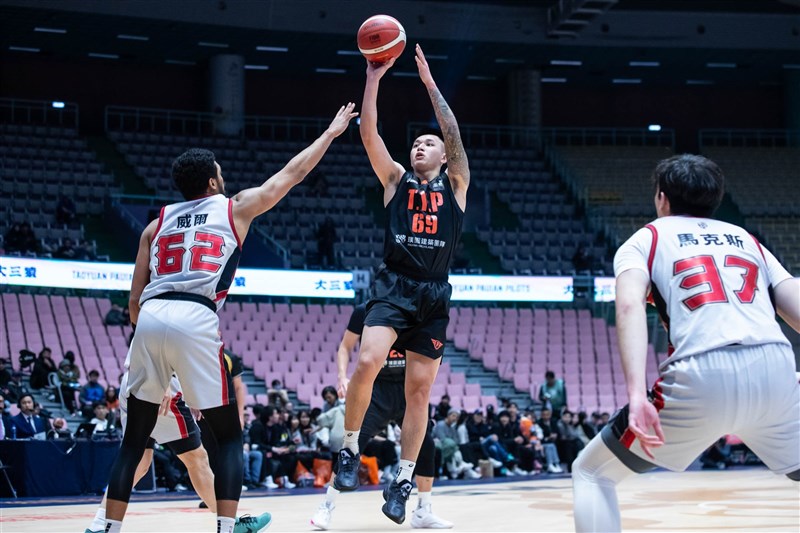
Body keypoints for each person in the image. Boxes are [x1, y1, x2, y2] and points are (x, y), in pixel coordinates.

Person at [100, 103, 357, 533]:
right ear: (213, 181)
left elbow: (132, 304)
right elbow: (291, 174)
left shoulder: (155, 223)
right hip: (195, 313)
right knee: (230, 436)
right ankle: (226, 527)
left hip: (149, 316)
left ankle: (108, 528)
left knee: (132, 442)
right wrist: (330, 133)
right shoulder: (232, 207)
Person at [571, 154, 800, 533]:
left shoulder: (645, 238)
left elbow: (628, 306)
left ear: (662, 198)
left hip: (700, 372)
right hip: (775, 366)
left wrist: (636, 395)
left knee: (592, 472)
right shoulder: (745, 239)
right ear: (716, 198)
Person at [336, 45, 470, 526]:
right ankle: (349, 448)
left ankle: (404, 479)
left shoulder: (455, 183)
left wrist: (431, 86)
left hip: (434, 294)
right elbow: (369, 134)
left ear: (442, 155)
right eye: (416, 143)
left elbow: (453, 136)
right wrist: (374, 77)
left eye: (428, 143)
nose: (420, 146)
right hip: (394, 285)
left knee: (419, 393)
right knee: (368, 359)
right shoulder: (395, 180)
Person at [312, 303, 454, 530]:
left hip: (407, 387)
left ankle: (423, 510)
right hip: (378, 389)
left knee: (426, 446)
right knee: (352, 446)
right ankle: (326, 506)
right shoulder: (366, 311)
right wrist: (341, 376)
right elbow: (345, 347)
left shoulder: (417, 309)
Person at [86, 374, 217, 533]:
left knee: (138, 463)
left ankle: (99, 525)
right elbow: (165, 349)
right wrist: (168, 385)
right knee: (198, 459)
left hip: (133, 381)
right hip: (161, 381)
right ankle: (229, 522)